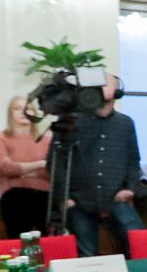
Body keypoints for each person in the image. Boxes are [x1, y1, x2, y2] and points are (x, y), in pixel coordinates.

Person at [52, 75, 142, 257]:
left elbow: (133, 160)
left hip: (116, 197)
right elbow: (55, 162)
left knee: (138, 243)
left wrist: (130, 189)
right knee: (87, 256)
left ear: (118, 90)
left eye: (106, 83)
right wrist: (64, 197)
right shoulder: (72, 121)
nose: (100, 87)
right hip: (79, 201)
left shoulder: (125, 123)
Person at [0, 93, 53, 239]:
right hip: (14, 198)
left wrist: (21, 172)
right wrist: (40, 164)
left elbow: (51, 171)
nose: (24, 112)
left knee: (46, 243)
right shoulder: (0, 138)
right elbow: (5, 168)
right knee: (18, 242)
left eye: (28, 109)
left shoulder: (46, 139)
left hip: (44, 197)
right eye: (17, 109)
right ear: (10, 113)